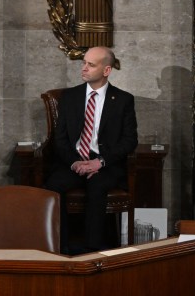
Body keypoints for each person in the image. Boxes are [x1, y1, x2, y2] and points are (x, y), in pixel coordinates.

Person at [44, 46, 138, 253]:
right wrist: (75, 162)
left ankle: (92, 250)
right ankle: (60, 247)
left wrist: (100, 162)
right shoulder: (69, 97)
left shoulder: (123, 100)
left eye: (91, 64)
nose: (84, 68)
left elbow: (129, 140)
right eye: (84, 63)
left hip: (105, 163)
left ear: (106, 70)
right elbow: (59, 139)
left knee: (97, 185)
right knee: (53, 185)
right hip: (74, 161)